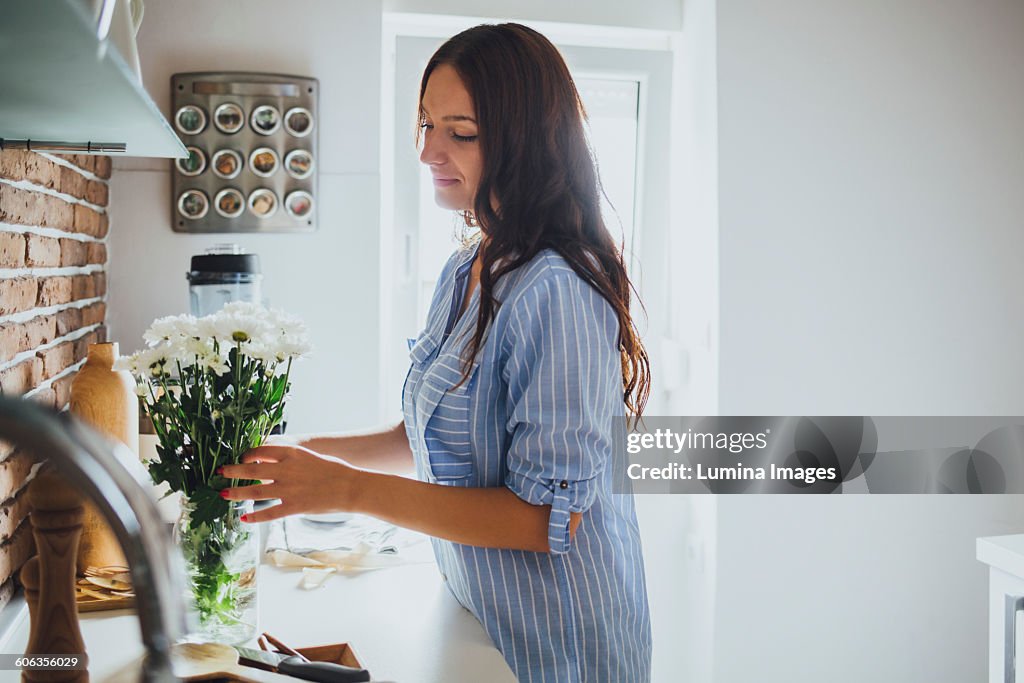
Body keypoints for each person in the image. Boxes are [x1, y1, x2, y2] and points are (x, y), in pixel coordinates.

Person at [221, 22, 653, 683]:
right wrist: (300, 455)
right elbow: (418, 433)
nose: (427, 150)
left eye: (461, 131)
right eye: (424, 124)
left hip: (559, 647)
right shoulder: (468, 265)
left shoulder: (558, 292)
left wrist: (342, 487)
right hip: (481, 618)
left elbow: (544, 518)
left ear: (527, 143)